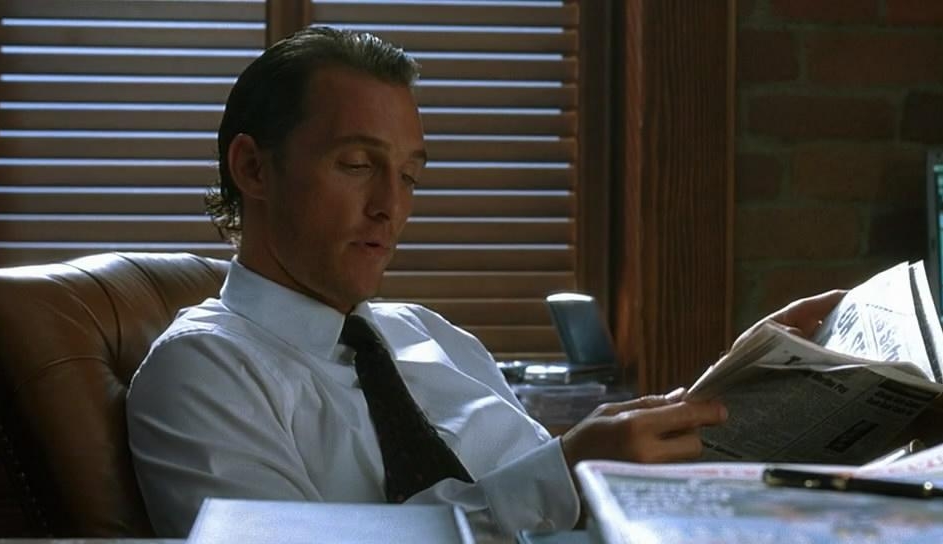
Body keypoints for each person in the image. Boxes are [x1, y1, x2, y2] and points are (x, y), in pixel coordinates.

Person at [126, 27, 845, 537]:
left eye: (410, 176)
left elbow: (554, 496)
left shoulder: (431, 335)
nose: (391, 206)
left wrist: (732, 393)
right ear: (253, 168)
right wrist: (562, 475)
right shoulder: (202, 371)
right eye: (357, 165)